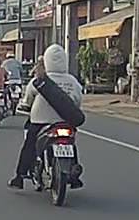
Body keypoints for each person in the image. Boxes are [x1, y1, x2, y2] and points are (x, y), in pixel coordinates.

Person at [9, 44, 85, 190]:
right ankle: (74, 174)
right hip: (65, 122)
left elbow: (28, 99)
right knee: (71, 144)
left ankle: (19, 176)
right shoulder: (72, 81)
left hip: (40, 122)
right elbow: (77, 100)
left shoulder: (40, 80)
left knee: (29, 146)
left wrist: (25, 106)